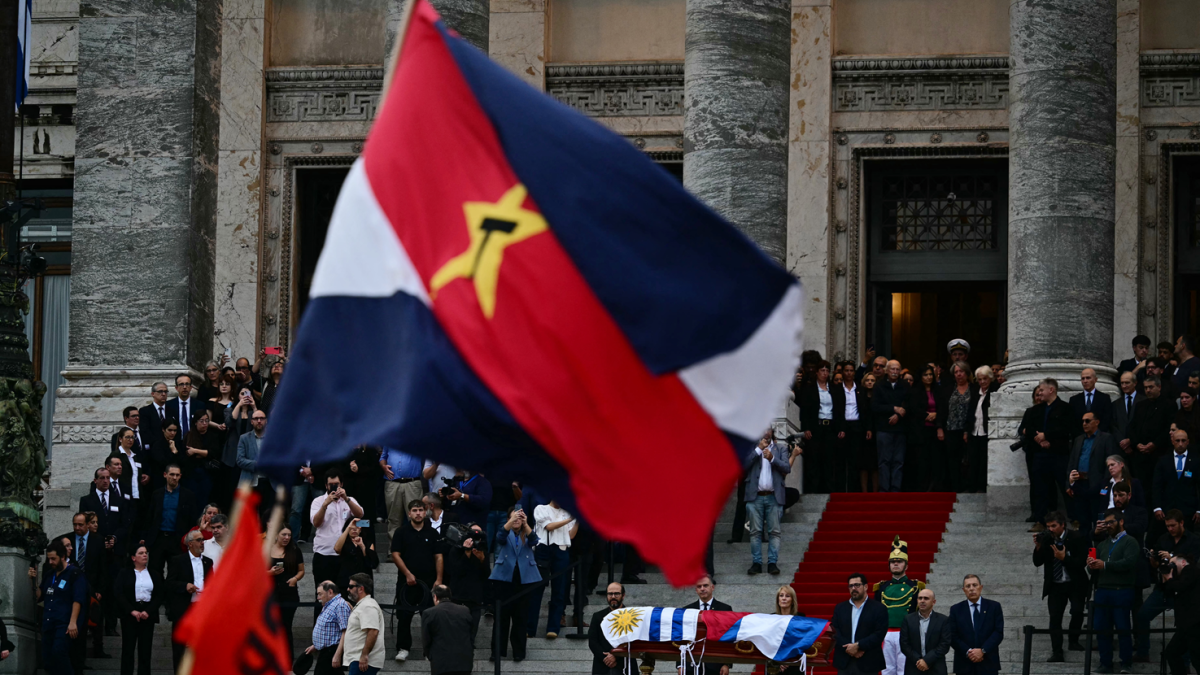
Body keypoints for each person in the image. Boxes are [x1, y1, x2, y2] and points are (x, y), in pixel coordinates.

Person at [1136, 510, 1200, 663]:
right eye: (1167, 526)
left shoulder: (1194, 540)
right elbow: (1157, 565)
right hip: (1164, 587)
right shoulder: (1163, 539)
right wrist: (1154, 559)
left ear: (1181, 523)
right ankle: (1143, 651)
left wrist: (1171, 557)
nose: (1170, 529)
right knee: (1142, 615)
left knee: (1185, 625)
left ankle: (1184, 661)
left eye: (1173, 525)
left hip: (1184, 589)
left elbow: (1192, 563)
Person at [390, 499, 443, 662]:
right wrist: (407, 574)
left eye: (421, 510)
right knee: (404, 616)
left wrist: (439, 579)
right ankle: (403, 648)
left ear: (425, 512)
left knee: (428, 617)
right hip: (406, 583)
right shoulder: (401, 532)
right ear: (409, 513)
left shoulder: (433, 533)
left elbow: (439, 556)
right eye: (415, 510)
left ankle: (429, 650)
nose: (418, 513)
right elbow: (395, 555)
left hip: (428, 582)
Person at [1088, 508, 1138, 674]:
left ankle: (1126, 663)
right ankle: (1105, 663)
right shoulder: (1103, 544)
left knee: (1123, 628)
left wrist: (1105, 565)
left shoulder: (1130, 541)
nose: (1107, 526)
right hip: (1103, 590)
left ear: (1121, 521)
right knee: (1102, 629)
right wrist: (1092, 564)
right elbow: (1096, 569)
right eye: (1105, 523)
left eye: (1111, 522)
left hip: (1121, 590)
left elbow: (1129, 563)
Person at [1032, 511, 1088, 660]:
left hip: (1075, 582)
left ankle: (1073, 640)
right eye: (1048, 526)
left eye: (1054, 526)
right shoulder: (1047, 539)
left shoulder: (1077, 537)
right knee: (1055, 618)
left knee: (1077, 611)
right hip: (1056, 584)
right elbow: (1038, 562)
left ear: (1062, 525)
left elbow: (1081, 562)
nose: (1051, 529)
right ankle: (1057, 651)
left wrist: (1065, 558)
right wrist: (1038, 547)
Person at [491, 505, 541, 662]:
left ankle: (519, 651)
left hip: (524, 580)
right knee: (501, 617)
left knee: (521, 617)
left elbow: (534, 541)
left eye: (519, 517)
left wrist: (526, 525)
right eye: (513, 517)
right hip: (504, 579)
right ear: (508, 519)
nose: (516, 520)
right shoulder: (505, 532)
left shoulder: (527, 532)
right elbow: (499, 537)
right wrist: (509, 522)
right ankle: (498, 651)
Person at [311, 469, 364, 615]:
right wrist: (325, 505)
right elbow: (316, 522)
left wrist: (346, 499)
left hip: (345, 556)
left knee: (345, 596)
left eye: (336, 484)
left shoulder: (349, 499)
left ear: (341, 484)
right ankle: (320, 632)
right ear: (326, 485)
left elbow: (361, 516)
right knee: (322, 597)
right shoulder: (318, 501)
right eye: (330, 485)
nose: (334, 487)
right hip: (324, 555)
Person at [1023, 379, 1074, 532]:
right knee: (1040, 488)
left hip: (1058, 454)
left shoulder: (1065, 408)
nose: (1040, 393)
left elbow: (1067, 429)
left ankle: (1075, 518)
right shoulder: (1036, 410)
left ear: (1051, 390)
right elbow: (1029, 429)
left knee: (1066, 487)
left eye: (1042, 390)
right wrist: (1040, 440)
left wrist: (1047, 437)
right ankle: (1040, 520)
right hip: (1040, 454)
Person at [31, 540, 87, 675]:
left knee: (59, 652)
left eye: (53, 559)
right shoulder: (49, 575)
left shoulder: (74, 573)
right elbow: (40, 596)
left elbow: (78, 599)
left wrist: (73, 622)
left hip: (64, 622)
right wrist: (33, 581)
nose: (50, 562)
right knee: (47, 658)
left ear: (62, 556)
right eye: (49, 559)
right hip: (49, 621)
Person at [528, 499, 577, 639]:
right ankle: (529, 628)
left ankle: (553, 628)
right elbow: (549, 527)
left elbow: (571, 535)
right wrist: (571, 518)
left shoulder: (567, 512)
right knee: (536, 589)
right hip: (543, 549)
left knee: (559, 590)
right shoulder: (540, 508)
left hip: (562, 550)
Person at [874, 538, 923, 675]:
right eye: (893, 562)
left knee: (904, 670)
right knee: (887, 670)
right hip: (885, 634)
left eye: (899, 561)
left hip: (906, 634)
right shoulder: (881, 588)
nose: (896, 564)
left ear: (906, 565)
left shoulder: (915, 587)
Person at [166, 530, 213, 669]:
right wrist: (184, 586)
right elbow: (169, 583)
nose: (202, 542)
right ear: (190, 544)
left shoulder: (208, 562)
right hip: (184, 608)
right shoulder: (178, 560)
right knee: (180, 648)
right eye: (199, 540)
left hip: (202, 608)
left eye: (203, 539)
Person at [745, 430, 789, 575]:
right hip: (755, 496)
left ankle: (772, 563)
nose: (765, 432)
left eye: (768, 428)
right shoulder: (752, 447)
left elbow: (786, 468)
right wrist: (758, 449)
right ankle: (756, 562)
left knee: (774, 532)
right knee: (755, 532)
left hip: (773, 496)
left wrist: (772, 458)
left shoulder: (780, 448)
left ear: (772, 431)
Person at [1123, 374, 1174, 500]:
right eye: (1146, 388)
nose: (1148, 390)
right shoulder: (1140, 405)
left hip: (1158, 454)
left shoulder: (1169, 405)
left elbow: (1168, 429)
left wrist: (1154, 444)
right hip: (1140, 455)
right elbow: (1132, 428)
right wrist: (1136, 444)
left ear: (1159, 387)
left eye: (1151, 387)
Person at [113, 544, 161, 675]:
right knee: (128, 649)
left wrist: (148, 611)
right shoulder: (125, 573)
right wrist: (131, 611)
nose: (145, 555)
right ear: (133, 557)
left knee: (145, 650)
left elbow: (159, 595)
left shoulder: (154, 574)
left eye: (146, 552)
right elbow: (118, 592)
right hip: (130, 613)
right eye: (141, 553)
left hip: (147, 613)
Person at [800, 360, 845, 493]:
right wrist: (806, 428)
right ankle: (813, 489)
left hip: (830, 427)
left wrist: (841, 428)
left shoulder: (835, 389)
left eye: (827, 371)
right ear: (817, 372)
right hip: (816, 427)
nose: (824, 373)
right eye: (822, 370)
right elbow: (805, 411)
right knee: (814, 458)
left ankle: (829, 489)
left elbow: (840, 410)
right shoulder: (810, 388)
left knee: (829, 459)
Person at [1067, 412, 1117, 528]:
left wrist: (1105, 484)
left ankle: (1097, 544)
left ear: (1097, 422)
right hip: (1079, 483)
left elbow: (1109, 463)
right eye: (1083, 421)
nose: (1084, 424)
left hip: (1096, 483)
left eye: (1087, 421)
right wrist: (1069, 484)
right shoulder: (1079, 439)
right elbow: (1072, 462)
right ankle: (1086, 545)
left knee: (1097, 518)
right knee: (1082, 519)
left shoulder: (1106, 438)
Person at [831, 572, 887, 675]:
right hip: (845, 661)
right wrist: (850, 648)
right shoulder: (840, 608)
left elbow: (879, 633)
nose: (853, 588)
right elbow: (834, 631)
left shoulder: (879, 608)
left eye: (857, 585)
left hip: (868, 661)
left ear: (865, 587)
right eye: (851, 586)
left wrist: (858, 646)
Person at [147, 464, 197, 576]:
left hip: (177, 539)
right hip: (159, 539)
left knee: (176, 573)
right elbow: (150, 517)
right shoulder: (157, 494)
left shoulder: (188, 495)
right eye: (172, 474)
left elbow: (192, 519)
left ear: (180, 476)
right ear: (165, 475)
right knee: (154, 572)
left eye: (177, 475)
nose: (174, 477)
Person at [444, 522, 491, 641]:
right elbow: (455, 571)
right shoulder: (456, 548)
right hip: (458, 597)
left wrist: (482, 560)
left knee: (471, 633)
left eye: (478, 534)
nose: (475, 537)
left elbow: (487, 575)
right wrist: (467, 553)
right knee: (455, 632)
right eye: (473, 533)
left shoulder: (482, 550)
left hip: (475, 599)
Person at [948, 575, 1002, 675]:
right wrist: (969, 652)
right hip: (964, 664)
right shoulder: (956, 609)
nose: (972, 588)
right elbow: (952, 635)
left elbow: (998, 632)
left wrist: (982, 650)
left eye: (974, 585)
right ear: (964, 590)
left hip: (988, 663)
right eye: (968, 586)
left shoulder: (994, 607)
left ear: (981, 587)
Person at [335, 573, 385, 675]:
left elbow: (373, 631)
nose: (348, 589)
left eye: (351, 586)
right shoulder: (363, 605)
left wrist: (364, 655)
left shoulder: (368, 606)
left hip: (363, 661)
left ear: (361, 589)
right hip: (359, 660)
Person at [680, 576, 732, 675]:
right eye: (699, 586)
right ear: (696, 590)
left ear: (712, 587)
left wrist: (727, 664)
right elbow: (682, 637)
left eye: (705, 585)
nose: (702, 588)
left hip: (716, 664)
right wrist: (680, 665)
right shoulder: (687, 610)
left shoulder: (725, 609)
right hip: (691, 664)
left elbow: (729, 637)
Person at [873, 360, 910, 493]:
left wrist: (899, 416)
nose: (895, 372)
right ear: (887, 371)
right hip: (884, 428)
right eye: (892, 369)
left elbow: (909, 404)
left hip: (900, 429)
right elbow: (875, 406)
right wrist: (893, 409)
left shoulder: (905, 385)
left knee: (898, 461)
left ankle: (895, 489)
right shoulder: (879, 386)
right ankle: (884, 489)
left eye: (897, 369)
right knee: (884, 461)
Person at [1160, 553, 1200, 675]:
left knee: (1197, 658)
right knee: (1172, 653)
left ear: (1183, 562)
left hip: (1194, 623)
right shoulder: (1179, 577)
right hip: (1186, 625)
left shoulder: (1191, 570)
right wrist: (1165, 578)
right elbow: (1168, 593)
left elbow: (1181, 586)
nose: (1172, 566)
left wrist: (1170, 579)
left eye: (1174, 563)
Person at [270, 526, 305, 661]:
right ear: (277, 535)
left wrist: (295, 579)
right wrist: (270, 573)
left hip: (289, 592)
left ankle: (287, 657)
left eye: (289, 535)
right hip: (271, 593)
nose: (286, 538)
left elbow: (301, 570)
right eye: (284, 534)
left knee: (286, 625)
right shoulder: (267, 549)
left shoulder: (295, 550)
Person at [1152, 428, 1199, 529]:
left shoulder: (1196, 461)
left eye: (1183, 440)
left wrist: (1199, 510)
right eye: (1177, 441)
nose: (1180, 444)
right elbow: (1157, 485)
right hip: (1167, 509)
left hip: (1189, 510)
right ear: (1172, 441)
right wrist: (1157, 507)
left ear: (1188, 442)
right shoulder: (1163, 461)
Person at [422, 585, 474, 675]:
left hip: (441, 662)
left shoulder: (429, 613)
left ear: (435, 597)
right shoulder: (465, 610)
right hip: (464, 662)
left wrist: (430, 656)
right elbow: (471, 634)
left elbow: (426, 639)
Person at [939, 361, 973, 494]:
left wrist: (967, 430)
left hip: (968, 431)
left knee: (968, 460)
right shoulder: (948, 389)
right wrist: (939, 427)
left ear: (967, 373)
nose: (959, 374)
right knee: (952, 461)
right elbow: (942, 410)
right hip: (950, 430)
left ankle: (968, 486)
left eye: (961, 371)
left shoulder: (974, 389)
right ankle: (955, 488)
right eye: (956, 372)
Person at [899, 588, 951, 675]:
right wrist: (919, 661)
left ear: (933, 602)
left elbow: (945, 644)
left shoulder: (943, 620)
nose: (922, 601)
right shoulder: (908, 619)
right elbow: (904, 644)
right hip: (914, 667)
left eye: (926, 598)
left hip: (936, 667)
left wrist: (927, 660)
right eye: (920, 598)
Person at [840, 361, 873, 495]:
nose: (849, 373)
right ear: (843, 372)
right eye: (846, 370)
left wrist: (868, 428)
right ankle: (842, 490)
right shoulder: (837, 389)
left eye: (851, 370)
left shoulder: (861, 389)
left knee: (856, 460)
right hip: (843, 426)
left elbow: (866, 411)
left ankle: (854, 490)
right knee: (842, 460)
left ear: (854, 372)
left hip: (857, 426)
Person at [589, 582, 637, 675]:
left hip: (625, 664)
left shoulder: (632, 616)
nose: (613, 596)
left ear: (623, 595)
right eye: (610, 594)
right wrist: (605, 658)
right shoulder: (597, 616)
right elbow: (593, 641)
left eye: (616, 594)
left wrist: (615, 655)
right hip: (602, 665)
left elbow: (633, 641)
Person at [307, 581, 352, 675]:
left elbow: (346, 631)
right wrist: (316, 645)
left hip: (332, 651)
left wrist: (337, 655)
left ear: (330, 592)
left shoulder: (340, 605)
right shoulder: (328, 604)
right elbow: (328, 629)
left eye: (320, 594)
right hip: (326, 651)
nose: (318, 598)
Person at [379, 447, 426, 537]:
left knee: (416, 516)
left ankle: (415, 548)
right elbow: (383, 458)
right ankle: (394, 549)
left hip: (412, 483)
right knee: (393, 518)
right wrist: (383, 466)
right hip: (392, 483)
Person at [182, 409, 221, 508]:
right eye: (201, 421)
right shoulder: (189, 435)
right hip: (192, 473)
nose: (204, 423)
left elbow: (213, 453)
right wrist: (203, 453)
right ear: (195, 422)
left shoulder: (213, 436)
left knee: (205, 500)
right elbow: (188, 454)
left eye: (207, 420)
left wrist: (196, 451)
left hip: (208, 473)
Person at [336, 515, 379, 592]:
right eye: (352, 528)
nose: (354, 529)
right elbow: (337, 549)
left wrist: (362, 547)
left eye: (357, 527)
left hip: (363, 582)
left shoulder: (367, 543)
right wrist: (348, 527)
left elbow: (373, 563)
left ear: (361, 529)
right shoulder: (344, 543)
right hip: (346, 581)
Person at [1069, 368, 1114, 433]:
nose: (1085, 381)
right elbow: (1072, 422)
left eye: (1088, 378)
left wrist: (1097, 436)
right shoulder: (1074, 400)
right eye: (1083, 378)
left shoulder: (1104, 398)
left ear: (1095, 380)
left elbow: (1107, 420)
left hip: (1099, 438)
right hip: (1080, 439)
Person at [859, 373, 880, 492]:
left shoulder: (879, 396)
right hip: (862, 433)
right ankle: (864, 491)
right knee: (863, 464)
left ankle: (876, 491)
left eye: (873, 380)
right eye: (868, 380)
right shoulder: (860, 396)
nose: (870, 382)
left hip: (877, 432)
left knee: (875, 464)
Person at [1113, 371, 1140, 442]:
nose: (1124, 386)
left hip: (1138, 445)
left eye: (1127, 383)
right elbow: (1113, 426)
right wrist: (1121, 441)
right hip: (1120, 446)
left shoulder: (1144, 401)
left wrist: (1131, 441)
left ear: (1135, 383)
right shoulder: (1115, 404)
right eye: (1122, 383)